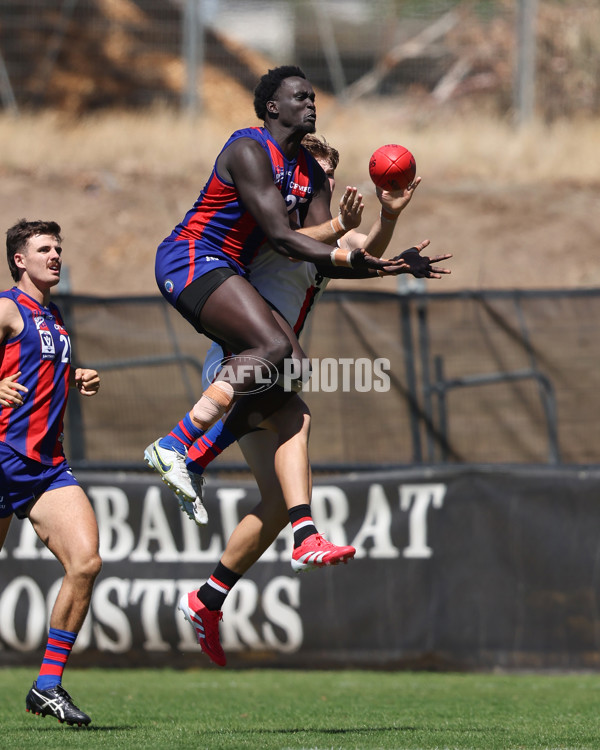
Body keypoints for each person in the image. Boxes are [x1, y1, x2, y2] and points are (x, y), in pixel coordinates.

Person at [170, 135, 452, 667]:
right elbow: (302, 239)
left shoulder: (314, 245)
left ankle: (206, 599)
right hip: (243, 361)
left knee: (276, 499)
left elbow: (357, 256)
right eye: (306, 175)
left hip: (267, 366)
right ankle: (215, 469)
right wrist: (344, 232)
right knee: (295, 411)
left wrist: (388, 219)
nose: (310, 184)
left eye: (319, 177)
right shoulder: (271, 231)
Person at [145, 65, 413, 569]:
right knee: (276, 352)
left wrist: (387, 253)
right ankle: (177, 445)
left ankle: (297, 536)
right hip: (190, 257)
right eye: (299, 96)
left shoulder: (309, 175)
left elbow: (324, 247)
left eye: (314, 96)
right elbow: (285, 239)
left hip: (231, 281)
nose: (311, 103)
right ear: (272, 106)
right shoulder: (248, 149)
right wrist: (355, 246)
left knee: (291, 381)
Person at [0, 219, 101, 726]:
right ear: (20, 259)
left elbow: (34, 367)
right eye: (44, 249)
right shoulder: (5, 307)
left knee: (85, 563)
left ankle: (47, 686)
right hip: (0, 457)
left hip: (45, 467)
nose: (55, 255)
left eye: (59, 248)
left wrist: (72, 373)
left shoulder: (54, 317)